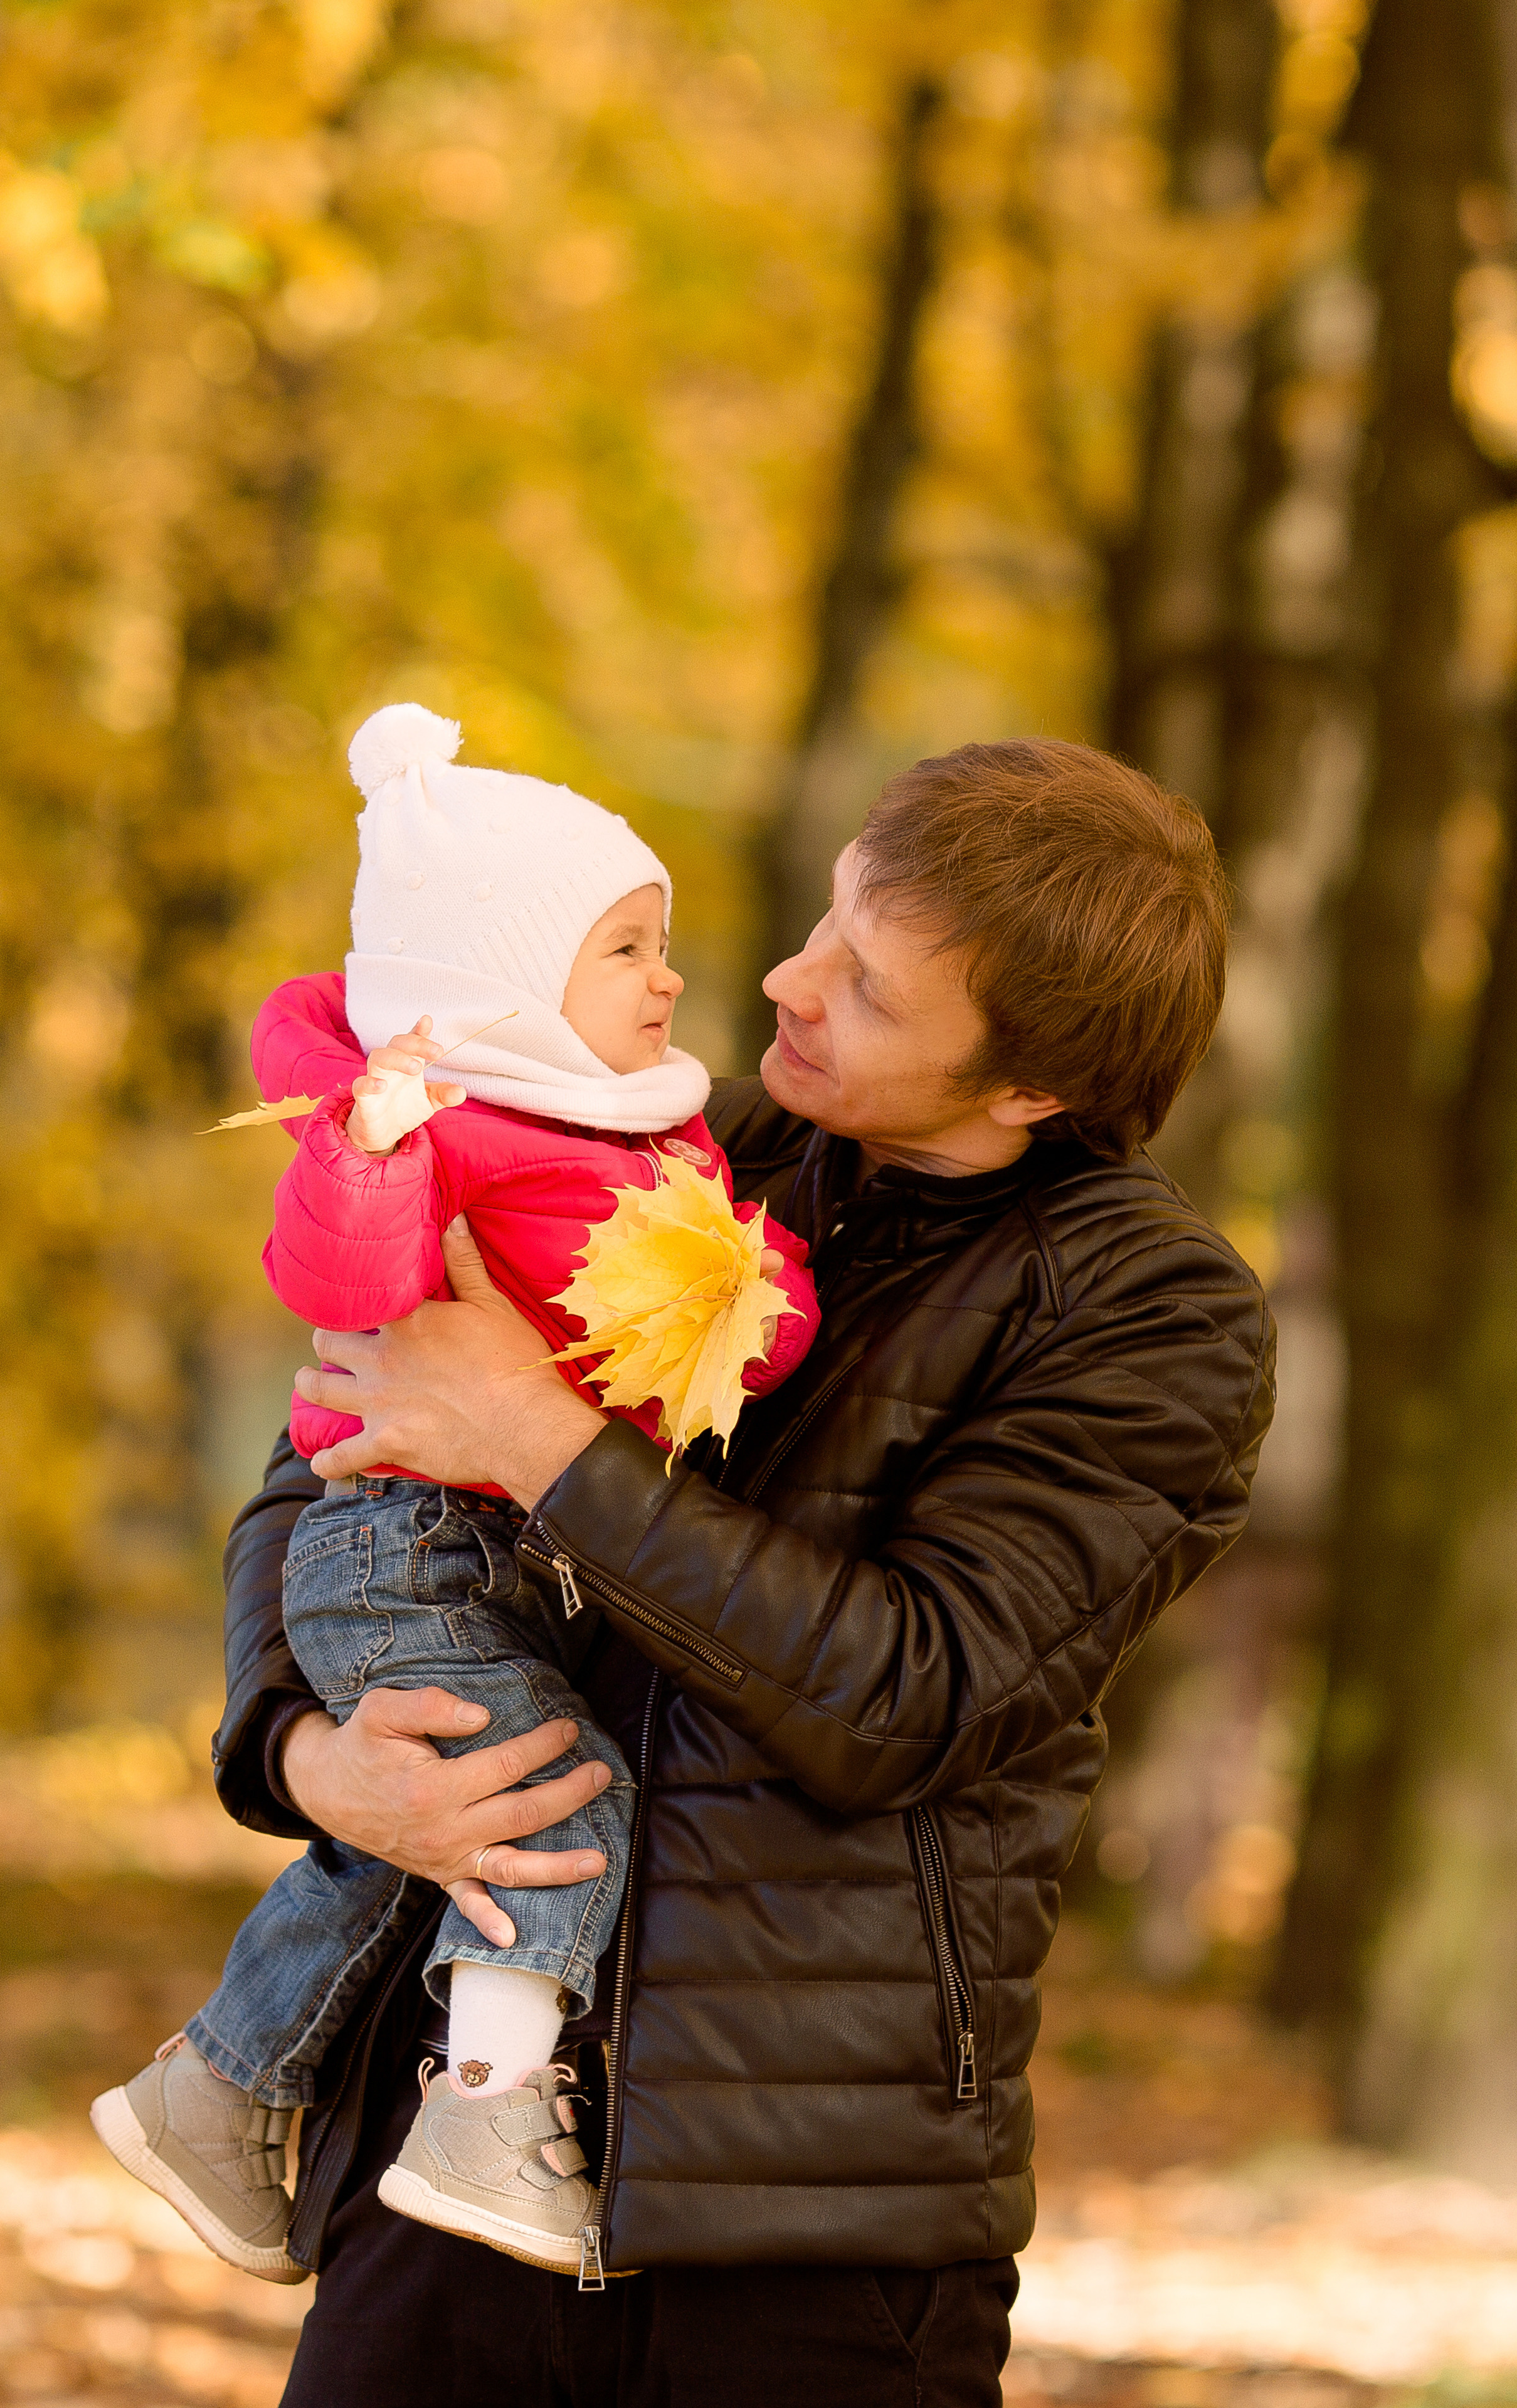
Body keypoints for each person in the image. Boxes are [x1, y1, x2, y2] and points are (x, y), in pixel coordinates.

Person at [214, 738, 1274, 2408]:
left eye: (869, 985)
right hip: (444, 2141)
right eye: (828, 919)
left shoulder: (1150, 1317)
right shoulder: (650, 1131)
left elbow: (910, 1696)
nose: (788, 980)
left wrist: (544, 1440)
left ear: (1028, 1088)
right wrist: (303, 1751)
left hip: (809, 2228)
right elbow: (333, 1449)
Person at [90, 705, 818, 2284]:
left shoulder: (644, 1123)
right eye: (624, 951)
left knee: (409, 1836)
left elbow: (731, 1320)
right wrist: (368, 1155)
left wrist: (748, 1293)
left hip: (494, 1550)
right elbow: (340, 1283)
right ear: (503, 987)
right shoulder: (437, 1129)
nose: (669, 980)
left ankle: (213, 2089)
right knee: (552, 1805)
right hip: (402, 1545)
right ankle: (487, 2105)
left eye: (658, 945)